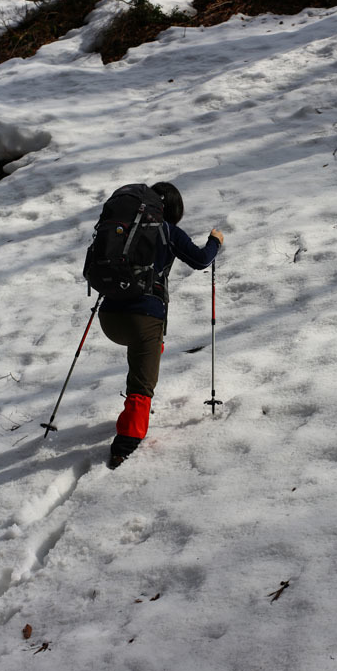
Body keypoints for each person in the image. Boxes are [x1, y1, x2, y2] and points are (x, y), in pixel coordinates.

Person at [98, 181, 224, 469]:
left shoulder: (123, 228)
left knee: (142, 351)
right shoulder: (168, 230)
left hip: (108, 316)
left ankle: (132, 417)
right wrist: (216, 240)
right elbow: (202, 260)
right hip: (143, 318)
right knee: (143, 381)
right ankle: (126, 443)